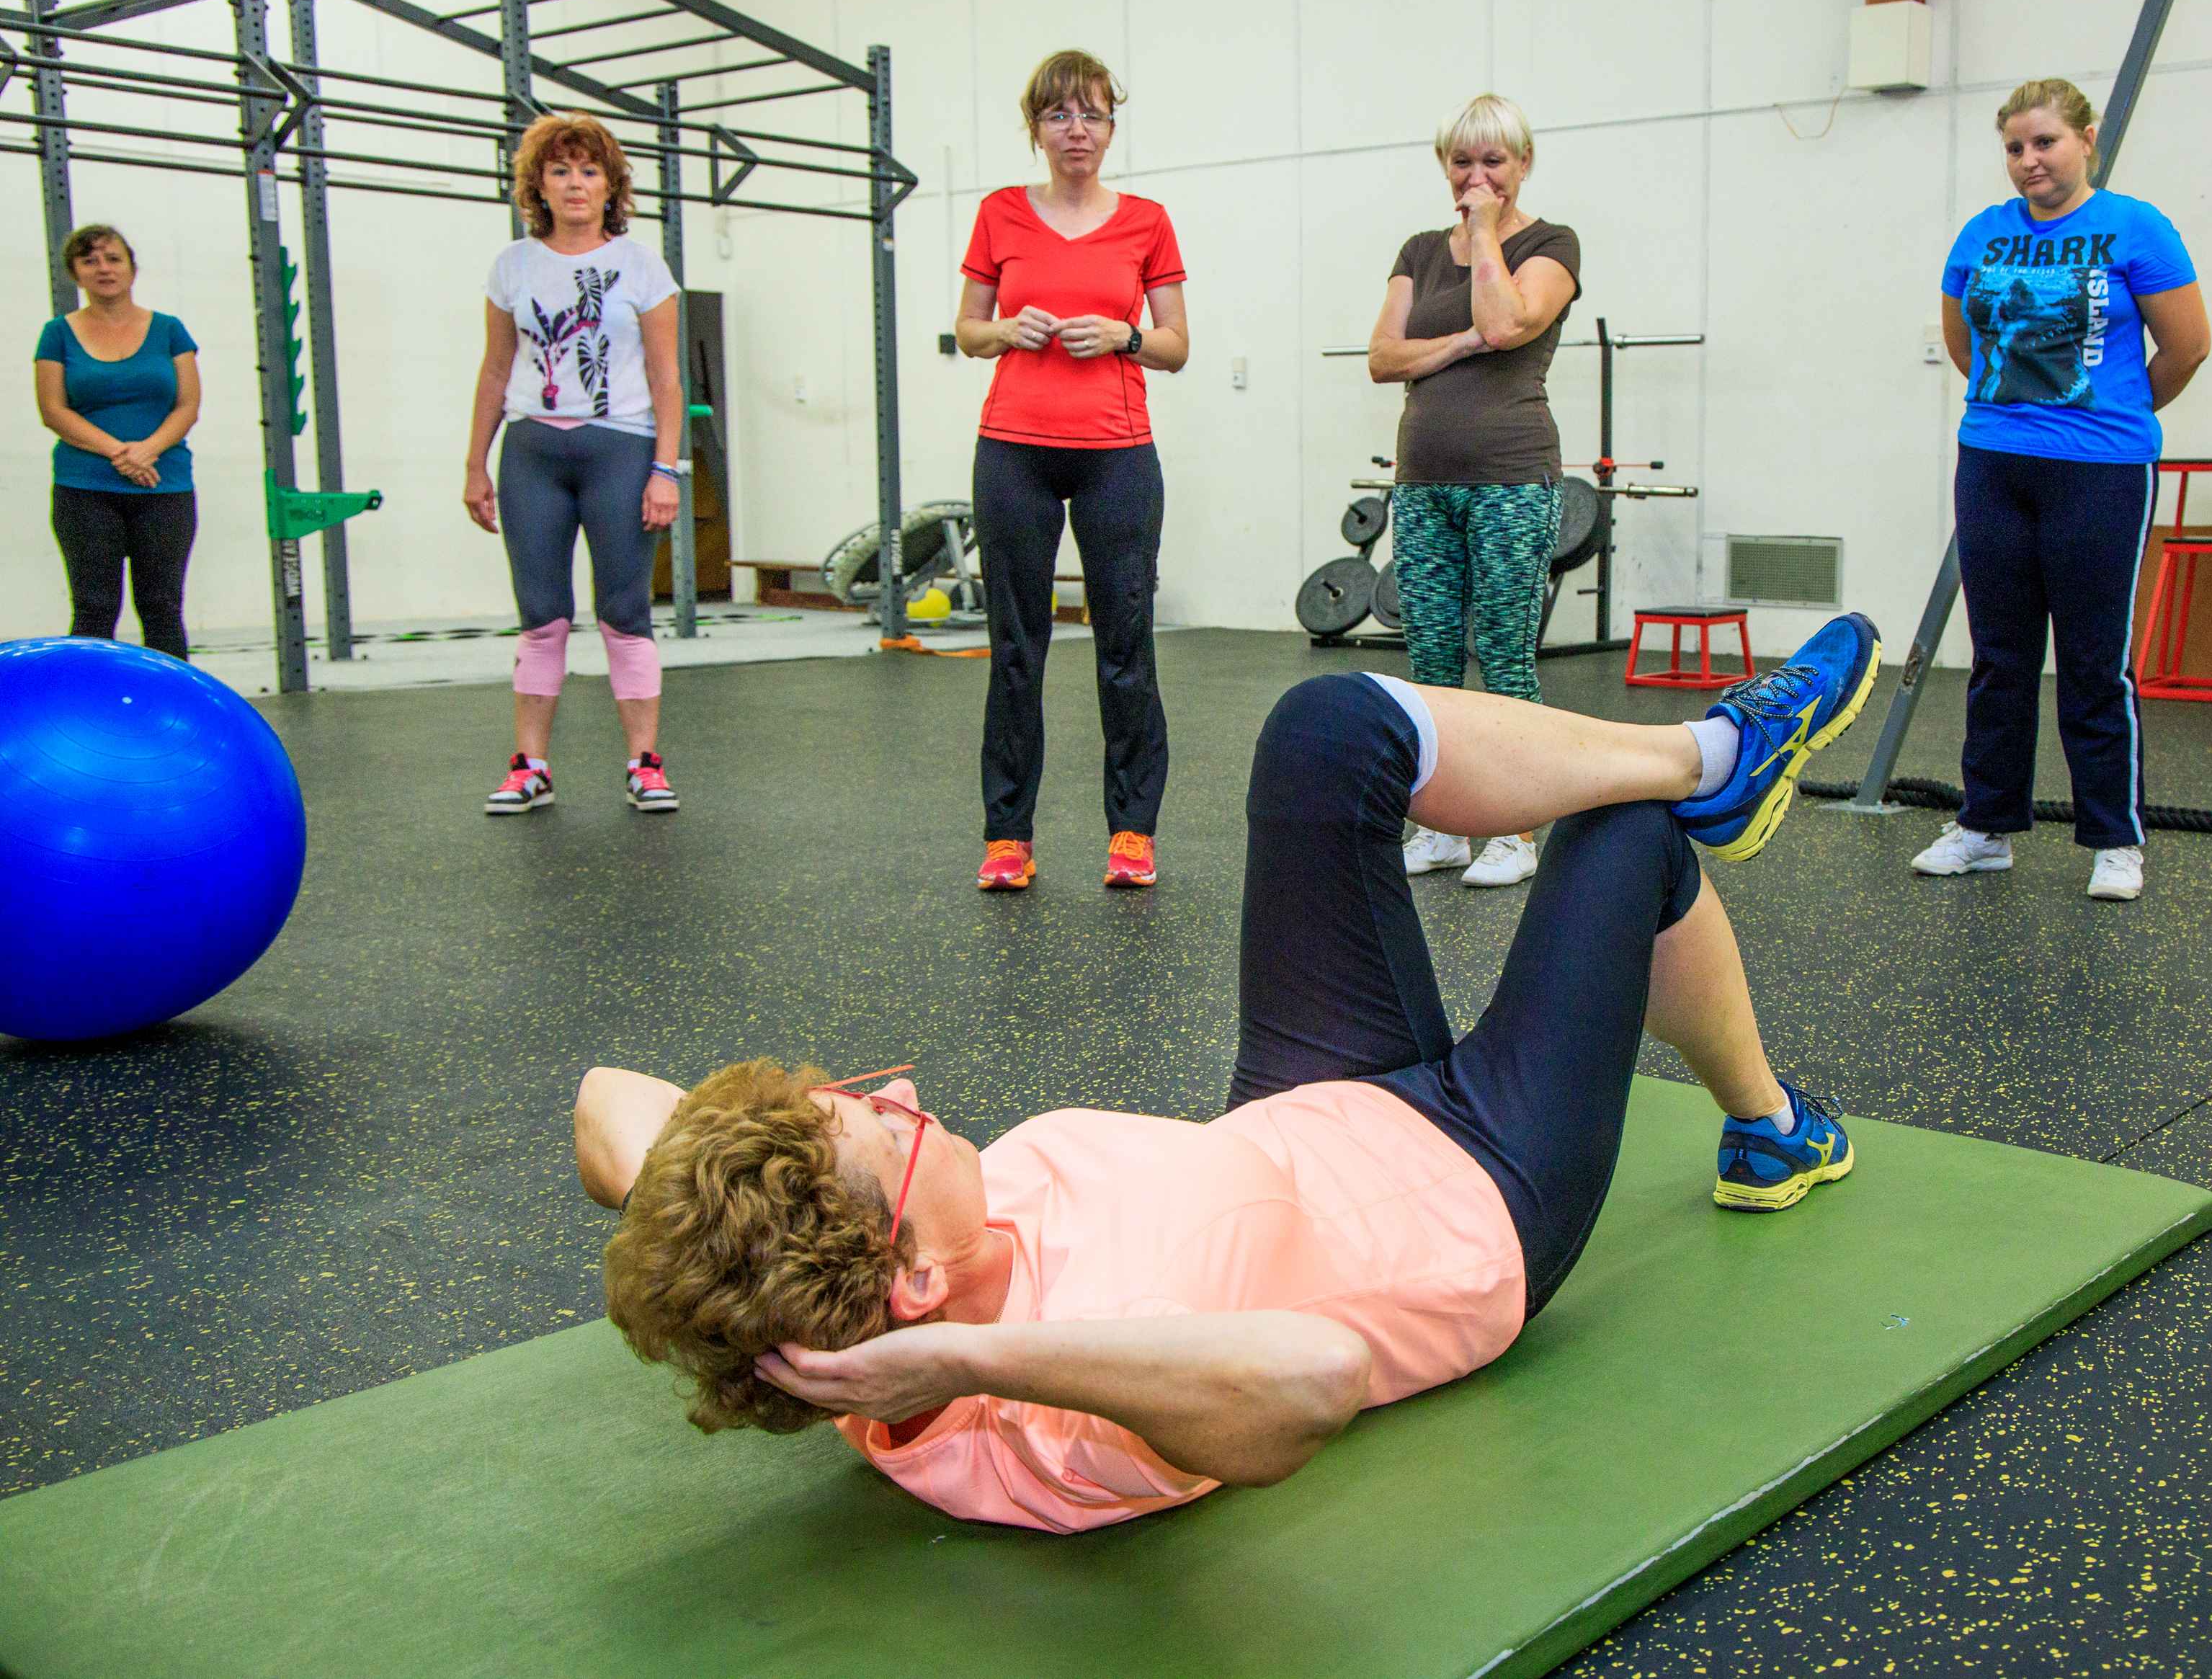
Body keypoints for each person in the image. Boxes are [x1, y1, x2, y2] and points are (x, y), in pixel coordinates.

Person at [576, 610, 1882, 1534]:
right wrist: (977, 1360)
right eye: (885, 1125)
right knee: (1624, 838)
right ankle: (1769, 1124)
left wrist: (693, 1208)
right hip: (1480, 1190)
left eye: (868, 1093)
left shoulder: (854, 1285)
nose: (907, 1097)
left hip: (1312, 1108)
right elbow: (1312, 1378)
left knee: (1329, 729)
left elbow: (604, 1097)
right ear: (911, 1278)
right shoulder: (1062, 1424)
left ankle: (1716, 757)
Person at [1922, 79, 2211, 903]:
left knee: (2093, 661)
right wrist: (2016, 412)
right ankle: (1985, 827)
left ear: (2085, 140)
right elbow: (1963, 344)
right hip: (1992, 462)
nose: (2028, 160)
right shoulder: (1981, 234)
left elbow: (2187, 346)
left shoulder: (2135, 228)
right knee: (1998, 658)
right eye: (2014, 147)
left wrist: (2113, 414)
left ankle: (2114, 839)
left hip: (2102, 470)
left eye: (2044, 142)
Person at [955, 50, 1189, 893]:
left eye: (1091, 114)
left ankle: (1131, 831)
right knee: (1015, 649)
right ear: (1036, 129)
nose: (1076, 129)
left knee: (1125, 645)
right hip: (1013, 449)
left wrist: (1124, 337)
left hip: (1116, 454)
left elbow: (1175, 345)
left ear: (1111, 128)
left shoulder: (1147, 222)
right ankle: (1006, 837)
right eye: (1059, 114)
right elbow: (968, 330)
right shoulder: (999, 214)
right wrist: (1004, 329)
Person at [1368, 94, 1582, 889]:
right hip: (1423, 481)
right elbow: (1382, 357)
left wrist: (1486, 231)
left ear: (1522, 165)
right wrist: (1457, 341)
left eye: (1494, 160)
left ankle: (1514, 832)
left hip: (1511, 479)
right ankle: (1442, 827)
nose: (1476, 175)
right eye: (1462, 161)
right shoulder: (1420, 250)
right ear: (1443, 165)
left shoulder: (1550, 243)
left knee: (1502, 656)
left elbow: (1507, 323)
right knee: (1428, 660)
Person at [463, 112, 685, 818]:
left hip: (620, 448)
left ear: (610, 185)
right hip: (533, 451)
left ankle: (644, 763)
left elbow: (666, 377)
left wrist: (666, 469)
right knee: (541, 615)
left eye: (589, 171)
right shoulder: (512, 266)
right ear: (539, 186)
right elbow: (496, 369)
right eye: (560, 171)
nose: (575, 184)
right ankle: (530, 766)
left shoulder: (641, 265)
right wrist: (475, 465)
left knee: (624, 611)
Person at [33, 224, 202, 659]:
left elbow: (187, 406)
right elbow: (53, 410)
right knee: (94, 607)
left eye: (113, 259)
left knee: (162, 607)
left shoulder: (169, 330)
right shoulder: (57, 334)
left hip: (164, 486)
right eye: (89, 261)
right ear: (75, 273)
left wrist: (148, 450)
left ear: (131, 268)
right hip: (85, 488)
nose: (103, 269)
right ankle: (86, 700)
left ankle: (168, 701)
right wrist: (120, 452)